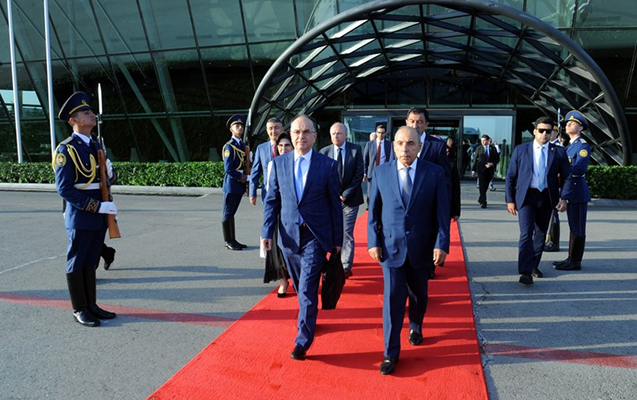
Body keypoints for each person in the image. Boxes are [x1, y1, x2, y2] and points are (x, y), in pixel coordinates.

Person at [367, 126, 450, 375]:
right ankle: (390, 352)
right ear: (393, 146)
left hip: (422, 247)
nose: (405, 148)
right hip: (390, 247)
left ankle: (416, 325)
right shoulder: (381, 172)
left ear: (419, 147)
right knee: (392, 299)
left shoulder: (434, 173)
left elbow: (442, 213)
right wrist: (373, 242)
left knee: (419, 295)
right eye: (400, 143)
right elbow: (373, 212)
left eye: (411, 143)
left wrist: (441, 244)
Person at [261, 114, 343, 361]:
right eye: (296, 132)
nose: (301, 136)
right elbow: (272, 200)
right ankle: (309, 315)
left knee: (307, 288)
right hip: (288, 236)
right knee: (299, 287)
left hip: (314, 236)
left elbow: (334, 206)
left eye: (306, 132)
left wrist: (338, 241)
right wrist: (266, 232)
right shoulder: (279, 163)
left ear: (315, 136)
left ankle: (302, 340)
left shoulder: (327, 165)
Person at [53, 91, 118, 327]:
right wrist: (97, 206)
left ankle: (91, 305)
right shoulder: (67, 149)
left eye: (91, 111)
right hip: (81, 214)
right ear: (73, 120)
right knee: (77, 261)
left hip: (100, 213)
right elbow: (65, 189)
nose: (92, 114)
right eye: (86, 112)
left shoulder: (95, 145)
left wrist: (111, 173)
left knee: (91, 260)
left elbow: (104, 181)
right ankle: (79, 309)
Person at [505, 116, 570, 285]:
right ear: (534, 131)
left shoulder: (559, 152)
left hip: (546, 197)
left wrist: (564, 198)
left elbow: (567, 177)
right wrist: (510, 200)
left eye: (548, 131)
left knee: (540, 235)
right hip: (526, 197)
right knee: (526, 234)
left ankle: (534, 265)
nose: (544, 134)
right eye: (541, 130)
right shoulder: (521, 150)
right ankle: (525, 271)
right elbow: (511, 176)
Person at [406, 107, 454, 277]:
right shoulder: (398, 143)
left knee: (428, 232)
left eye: (419, 122)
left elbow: (446, 178)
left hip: (429, 199)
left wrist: (445, 203)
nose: (415, 125)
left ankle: (429, 266)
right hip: (405, 198)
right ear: (406, 122)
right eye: (412, 121)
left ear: (426, 124)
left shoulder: (437, 146)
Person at [320, 122, 364, 278]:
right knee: (330, 230)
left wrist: (345, 194)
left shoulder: (355, 150)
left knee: (347, 232)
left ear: (345, 135)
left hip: (350, 199)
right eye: (333, 134)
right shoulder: (324, 152)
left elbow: (359, 174)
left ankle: (346, 266)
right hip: (330, 200)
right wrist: (333, 195)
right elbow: (321, 177)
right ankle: (331, 261)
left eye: (339, 133)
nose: (336, 136)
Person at [554, 110, 591, 271]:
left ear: (580, 128)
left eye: (572, 123)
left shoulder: (582, 146)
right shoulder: (569, 146)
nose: (568, 125)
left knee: (578, 227)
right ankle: (570, 258)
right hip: (570, 189)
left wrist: (561, 173)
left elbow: (578, 169)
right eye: (567, 123)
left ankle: (575, 261)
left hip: (577, 191)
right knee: (573, 226)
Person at [262, 134, 293, 297]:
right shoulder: (273, 164)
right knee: (278, 249)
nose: (283, 149)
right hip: (278, 213)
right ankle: (283, 281)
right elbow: (270, 192)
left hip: (295, 214)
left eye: (287, 145)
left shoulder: (300, 163)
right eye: (280, 146)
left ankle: (300, 278)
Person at [221, 114, 248, 251]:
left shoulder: (242, 145)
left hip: (238, 184)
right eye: (237, 126)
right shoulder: (229, 147)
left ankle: (233, 239)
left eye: (241, 126)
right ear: (231, 129)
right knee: (228, 212)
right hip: (232, 184)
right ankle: (228, 241)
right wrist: (242, 177)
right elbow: (228, 169)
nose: (240, 128)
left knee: (232, 212)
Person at [249, 117, 283, 206]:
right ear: (267, 131)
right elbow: (255, 171)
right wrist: (252, 192)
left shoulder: (289, 147)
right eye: (270, 128)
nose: (273, 131)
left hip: (285, 191)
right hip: (267, 192)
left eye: (276, 128)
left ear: (282, 129)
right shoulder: (261, 148)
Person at [363, 124, 393, 203]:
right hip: (372, 173)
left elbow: (391, 159)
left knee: (383, 194)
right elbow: (365, 159)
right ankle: (370, 208)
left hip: (384, 173)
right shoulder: (369, 144)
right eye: (379, 132)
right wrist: (364, 173)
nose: (380, 134)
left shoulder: (389, 145)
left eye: (382, 133)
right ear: (376, 132)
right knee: (370, 194)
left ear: (385, 133)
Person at [544, 124, 563, 252]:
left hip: (554, 185)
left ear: (556, 133)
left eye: (552, 131)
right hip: (544, 185)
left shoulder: (559, 147)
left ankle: (554, 241)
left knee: (554, 214)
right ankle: (546, 239)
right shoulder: (545, 146)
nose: (549, 134)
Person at [471, 134, 500, 208]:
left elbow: (497, 159)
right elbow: (475, 160)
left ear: (488, 140)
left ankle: (481, 198)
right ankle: (483, 202)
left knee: (485, 186)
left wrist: (492, 163)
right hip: (481, 169)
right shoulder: (479, 148)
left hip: (489, 170)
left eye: (484, 140)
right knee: (482, 185)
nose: (483, 142)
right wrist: (473, 170)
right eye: (481, 141)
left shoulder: (493, 148)